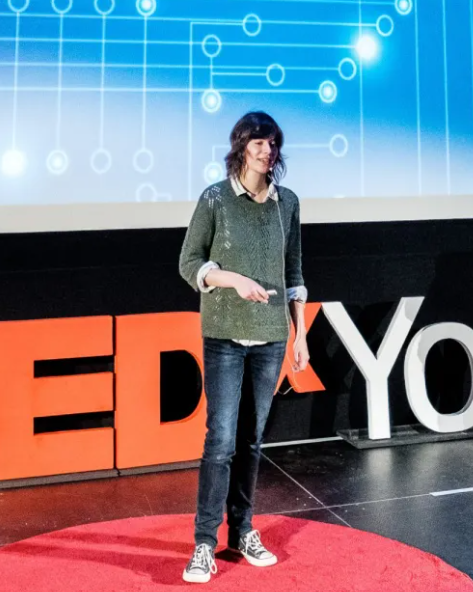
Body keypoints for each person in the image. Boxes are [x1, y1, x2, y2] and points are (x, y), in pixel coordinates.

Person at [178, 111, 309, 583]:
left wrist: (300, 334)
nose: (266, 151)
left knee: (252, 440)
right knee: (221, 441)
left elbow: (294, 272)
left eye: (272, 143)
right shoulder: (215, 198)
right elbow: (189, 262)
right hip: (225, 336)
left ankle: (242, 530)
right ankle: (204, 543)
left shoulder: (286, 203)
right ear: (241, 147)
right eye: (258, 143)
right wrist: (231, 279)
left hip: (271, 337)